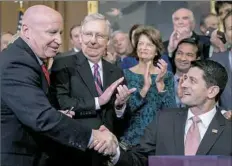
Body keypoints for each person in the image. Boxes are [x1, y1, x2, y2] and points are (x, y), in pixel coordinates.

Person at [0, 5, 118, 166]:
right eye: (52, 32)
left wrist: (57, 113)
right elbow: (41, 117)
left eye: (60, 33)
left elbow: (33, 109)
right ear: (26, 31)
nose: (59, 40)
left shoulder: (28, 59)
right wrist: (93, 136)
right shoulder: (18, 63)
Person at [50, 13, 136, 165]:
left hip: (106, 155)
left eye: (100, 35)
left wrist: (119, 107)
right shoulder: (63, 64)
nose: (93, 41)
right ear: (81, 37)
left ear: (108, 41)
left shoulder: (115, 71)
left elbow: (122, 122)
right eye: (89, 34)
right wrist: (98, 101)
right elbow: (62, 103)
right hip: (74, 153)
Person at [110, 60, 231, 166]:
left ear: (212, 91)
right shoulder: (163, 119)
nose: (183, 84)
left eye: (192, 81)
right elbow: (140, 159)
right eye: (185, 78)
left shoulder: (228, 129)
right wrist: (115, 153)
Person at [120, 26, 176, 146]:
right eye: (141, 44)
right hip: (132, 140)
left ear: (156, 50)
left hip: (159, 140)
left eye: (149, 44)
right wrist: (145, 88)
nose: (143, 48)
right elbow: (124, 112)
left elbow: (171, 112)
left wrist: (160, 85)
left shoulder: (167, 76)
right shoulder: (125, 74)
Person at [171, 38, 201, 107]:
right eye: (179, 53)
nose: (183, 58)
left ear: (197, 59)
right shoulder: (163, 82)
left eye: (189, 55)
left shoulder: (202, 85)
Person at [211, 10, 232, 111]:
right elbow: (208, 101)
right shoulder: (215, 62)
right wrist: (223, 113)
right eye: (231, 28)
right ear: (226, 34)